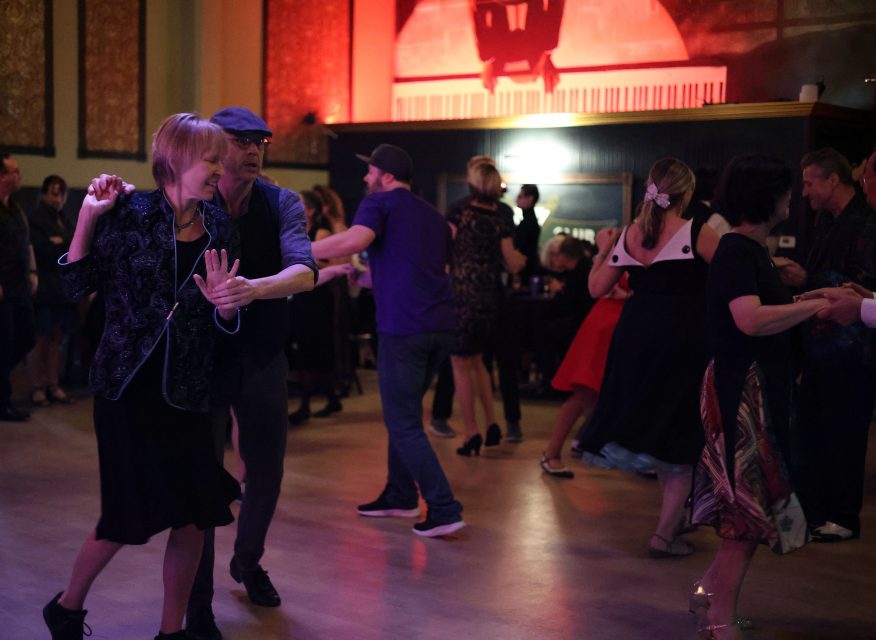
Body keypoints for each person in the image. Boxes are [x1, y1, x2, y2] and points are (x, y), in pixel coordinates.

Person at [42, 114, 241, 640]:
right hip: (127, 388)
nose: (220, 169)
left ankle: (170, 631)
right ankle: (66, 606)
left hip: (188, 391)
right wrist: (88, 215)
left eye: (220, 159)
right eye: (212, 159)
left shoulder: (220, 226)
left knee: (196, 514)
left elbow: (227, 320)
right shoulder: (128, 212)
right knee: (126, 519)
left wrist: (225, 307)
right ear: (175, 159)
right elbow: (75, 285)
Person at [186, 107, 317, 637]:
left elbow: (305, 272)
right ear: (216, 146)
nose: (254, 149)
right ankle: (198, 605)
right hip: (203, 358)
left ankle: (248, 560)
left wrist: (254, 289)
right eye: (241, 140)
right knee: (202, 482)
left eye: (260, 139)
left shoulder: (281, 200)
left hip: (262, 352)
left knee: (265, 468)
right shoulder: (195, 200)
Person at [690, 154, 830, 639]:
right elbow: (748, 320)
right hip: (741, 391)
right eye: (786, 191)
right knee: (748, 510)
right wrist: (810, 304)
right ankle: (719, 615)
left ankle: (708, 592)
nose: (792, 199)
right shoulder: (735, 251)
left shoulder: (747, 249)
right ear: (765, 197)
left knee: (750, 504)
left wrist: (802, 303)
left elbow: (759, 310)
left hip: (752, 388)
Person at [310, 143, 465, 537]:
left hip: (404, 328)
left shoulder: (380, 203)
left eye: (371, 170)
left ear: (388, 176)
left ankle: (444, 508)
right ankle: (399, 495)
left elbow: (355, 241)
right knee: (406, 415)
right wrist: (364, 278)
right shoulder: (433, 217)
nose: (366, 177)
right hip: (439, 326)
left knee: (403, 423)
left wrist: (298, 250)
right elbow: (418, 269)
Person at [579, 157, 719, 558]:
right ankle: (663, 533)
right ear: (686, 193)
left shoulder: (631, 234)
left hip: (636, 334)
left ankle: (672, 522)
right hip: (683, 336)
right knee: (679, 430)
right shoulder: (697, 232)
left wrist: (606, 249)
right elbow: (735, 274)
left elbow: (594, 288)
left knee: (660, 427)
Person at [790, 148, 876, 543]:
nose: (804, 190)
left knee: (845, 430)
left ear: (831, 181)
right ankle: (813, 511)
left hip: (854, 345)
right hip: (822, 340)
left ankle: (842, 516)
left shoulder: (866, 222)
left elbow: (860, 281)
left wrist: (809, 280)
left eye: (810, 182)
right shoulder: (826, 220)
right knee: (811, 426)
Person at [448, 162, 526, 456]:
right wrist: (523, 257)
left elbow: (444, 247)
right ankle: (492, 424)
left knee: (460, 363)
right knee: (479, 362)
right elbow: (513, 263)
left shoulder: (458, 211)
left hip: (461, 293)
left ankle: (471, 433)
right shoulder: (502, 215)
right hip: (489, 295)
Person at [540, 238, 629, 478]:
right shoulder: (627, 242)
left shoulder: (636, 243)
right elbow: (598, 287)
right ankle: (553, 453)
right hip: (606, 326)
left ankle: (581, 441)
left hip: (620, 325)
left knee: (599, 393)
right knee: (585, 390)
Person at [287, 189, 342, 424]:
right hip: (302, 294)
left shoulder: (321, 231)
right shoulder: (299, 231)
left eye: (300, 203)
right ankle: (324, 399)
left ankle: (311, 402)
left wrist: (299, 258)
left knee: (316, 348)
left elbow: (332, 261)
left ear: (310, 209)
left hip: (318, 296)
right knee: (306, 349)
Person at [26, 175, 77, 406]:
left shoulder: (64, 219)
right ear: (45, 193)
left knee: (57, 338)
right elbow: (44, 249)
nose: (58, 198)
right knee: (41, 338)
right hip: (45, 287)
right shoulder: (35, 218)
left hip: (62, 289)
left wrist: (60, 243)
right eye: (54, 193)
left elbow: (75, 248)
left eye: (62, 193)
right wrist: (61, 245)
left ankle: (53, 385)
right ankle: (37, 387)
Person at [0, 153, 37, 421]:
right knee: (4, 343)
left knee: (26, 337)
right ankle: (3, 402)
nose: (19, 175)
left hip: (20, 285)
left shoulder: (15, 205)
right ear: (2, 176)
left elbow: (27, 242)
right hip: (3, 289)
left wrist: (33, 269)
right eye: (14, 171)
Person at [515, 183, 542, 284]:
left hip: (526, 272)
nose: (517, 199)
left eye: (520, 196)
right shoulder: (530, 221)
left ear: (530, 199)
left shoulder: (529, 223)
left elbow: (521, 249)